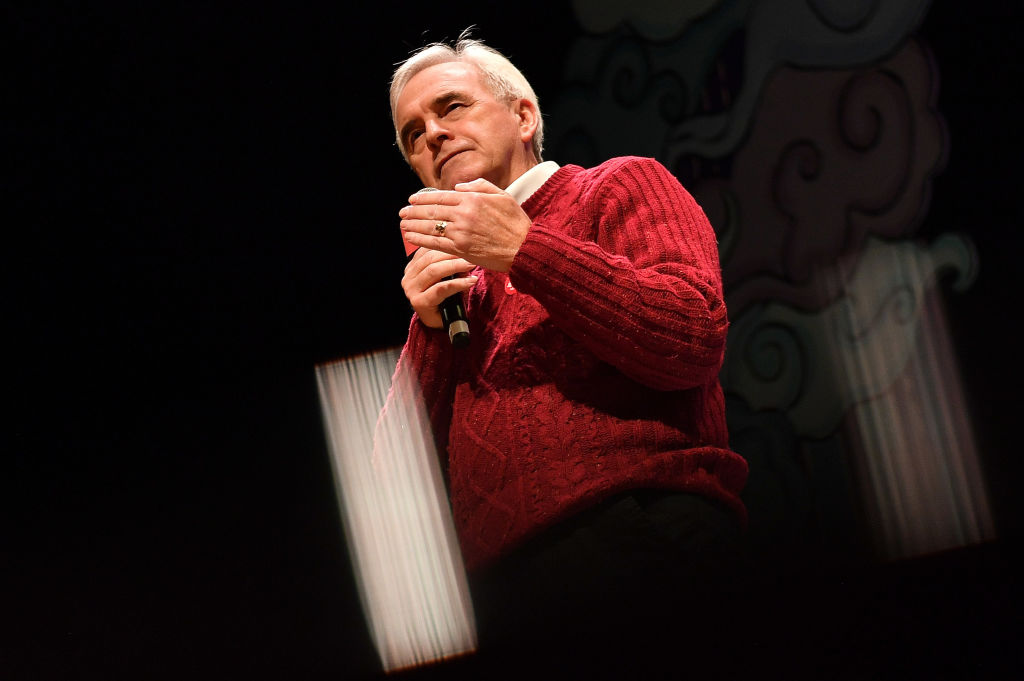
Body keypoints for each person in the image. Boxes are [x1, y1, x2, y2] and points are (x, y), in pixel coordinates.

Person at [387, 35, 749, 672]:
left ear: (524, 116)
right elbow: (394, 486)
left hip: (643, 535)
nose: (434, 135)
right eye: (413, 133)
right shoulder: (445, 291)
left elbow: (692, 338)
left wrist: (527, 250)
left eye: (451, 107)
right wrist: (426, 332)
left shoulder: (618, 185)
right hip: (500, 594)